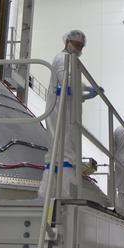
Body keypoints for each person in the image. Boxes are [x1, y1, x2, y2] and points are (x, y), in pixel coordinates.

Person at [45, 30, 100, 172]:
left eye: (81, 46)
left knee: (67, 146)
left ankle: (64, 175)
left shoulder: (70, 60)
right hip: (59, 108)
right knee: (63, 148)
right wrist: (87, 89)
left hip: (67, 108)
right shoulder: (62, 58)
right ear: (67, 42)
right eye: (76, 45)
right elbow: (67, 82)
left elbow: (72, 86)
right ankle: (63, 181)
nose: (79, 49)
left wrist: (88, 90)